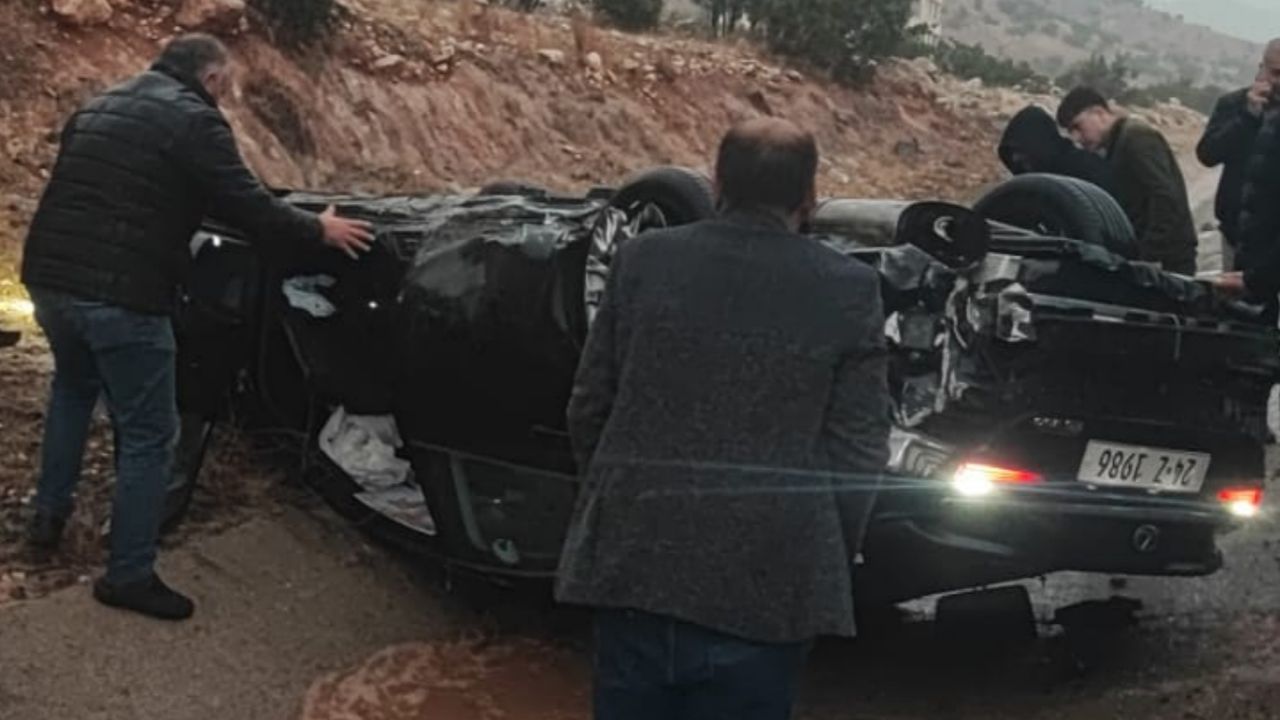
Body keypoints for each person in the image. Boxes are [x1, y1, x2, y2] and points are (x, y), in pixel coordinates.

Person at [21, 34, 374, 621]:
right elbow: (248, 204)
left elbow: (121, 191)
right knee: (150, 433)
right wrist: (319, 230)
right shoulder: (196, 121)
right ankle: (128, 574)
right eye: (225, 86)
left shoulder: (101, 105)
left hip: (50, 281)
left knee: (73, 390)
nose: (226, 96)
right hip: (123, 298)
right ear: (211, 79)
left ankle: (47, 517)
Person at [556, 118, 891, 720]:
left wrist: (615, 508)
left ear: (717, 183)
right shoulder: (850, 288)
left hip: (635, 571)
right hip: (766, 590)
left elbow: (588, 407)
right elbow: (860, 448)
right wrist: (824, 550)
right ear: (810, 194)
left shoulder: (641, 260)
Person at [1057, 87, 1198, 275]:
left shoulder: (1136, 137)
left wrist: (1150, 254)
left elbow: (1165, 196)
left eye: (1078, 126)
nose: (1076, 138)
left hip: (1167, 258)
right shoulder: (1116, 144)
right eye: (1070, 131)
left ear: (1099, 113)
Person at [1197, 39, 1280, 271]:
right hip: (1234, 235)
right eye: (1276, 73)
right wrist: (1247, 117)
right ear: (1261, 69)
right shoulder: (1233, 104)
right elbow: (1208, 154)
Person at [998, 105, 1118, 197]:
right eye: (1012, 153)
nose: (1016, 158)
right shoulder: (1033, 185)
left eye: (1020, 152)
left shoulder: (1082, 168)